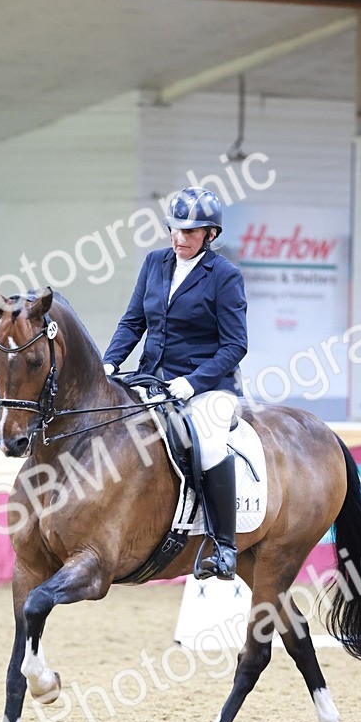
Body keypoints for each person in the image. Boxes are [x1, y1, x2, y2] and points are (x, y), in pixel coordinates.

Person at [103, 186, 247, 579]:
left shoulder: (225, 276)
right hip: (152, 378)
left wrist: (193, 382)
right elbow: (134, 321)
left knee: (210, 441)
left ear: (210, 234)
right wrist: (111, 363)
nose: (178, 238)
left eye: (189, 232)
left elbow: (236, 345)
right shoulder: (154, 263)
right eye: (174, 230)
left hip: (209, 386)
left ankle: (224, 546)